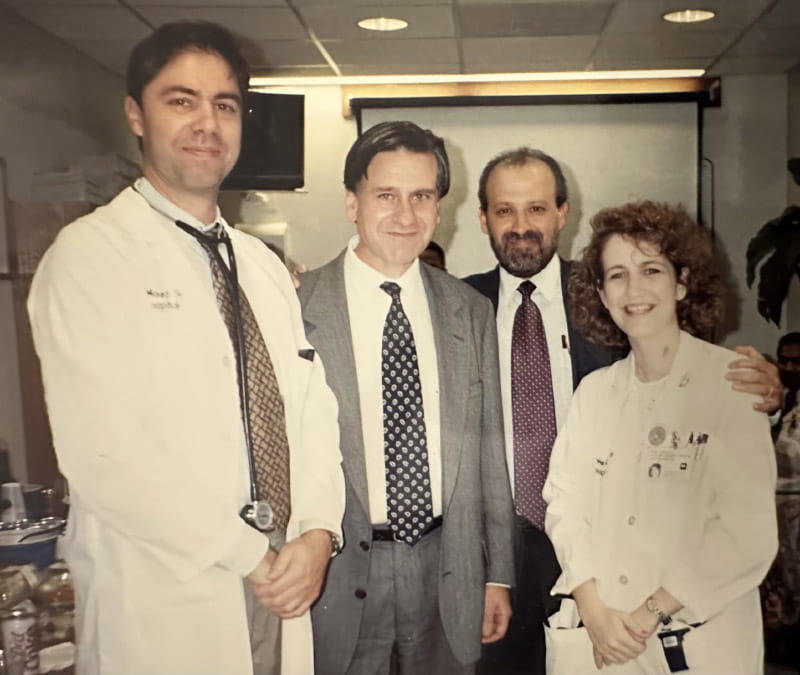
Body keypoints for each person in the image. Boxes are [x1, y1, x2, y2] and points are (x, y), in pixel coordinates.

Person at [27, 21, 344, 675]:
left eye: (224, 105)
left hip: (280, 578)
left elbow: (310, 409)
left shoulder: (260, 265)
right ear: (136, 115)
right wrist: (249, 553)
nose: (207, 122)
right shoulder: (89, 257)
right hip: (169, 589)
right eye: (182, 100)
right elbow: (105, 453)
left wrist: (317, 531)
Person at [463, 147, 783, 675]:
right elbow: (565, 492)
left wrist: (767, 398)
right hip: (516, 566)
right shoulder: (461, 305)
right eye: (504, 210)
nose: (633, 291)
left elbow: (742, 526)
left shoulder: (719, 377)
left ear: (563, 213)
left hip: (673, 617)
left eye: (537, 208)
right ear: (483, 218)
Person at [297, 120, 514, 675]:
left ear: (440, 208)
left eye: (422, 196)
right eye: (386, 195)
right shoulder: (295, 307)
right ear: (352, 202)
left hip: (449, 569)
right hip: (340, 572)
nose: (405, 215)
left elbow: (491, 452)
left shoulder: (470, 311)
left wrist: (498, 573)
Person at [543, 200, 777, 674]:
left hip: (698, 642)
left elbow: (745, 535)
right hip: (604, 639)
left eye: (651, 269)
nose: (635, 290)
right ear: (603, 296)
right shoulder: (595, 393)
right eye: (617, 275)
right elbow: (565, 506)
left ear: (682, 282)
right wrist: (591, 607)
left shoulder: (733, 383)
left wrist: (649, 612)